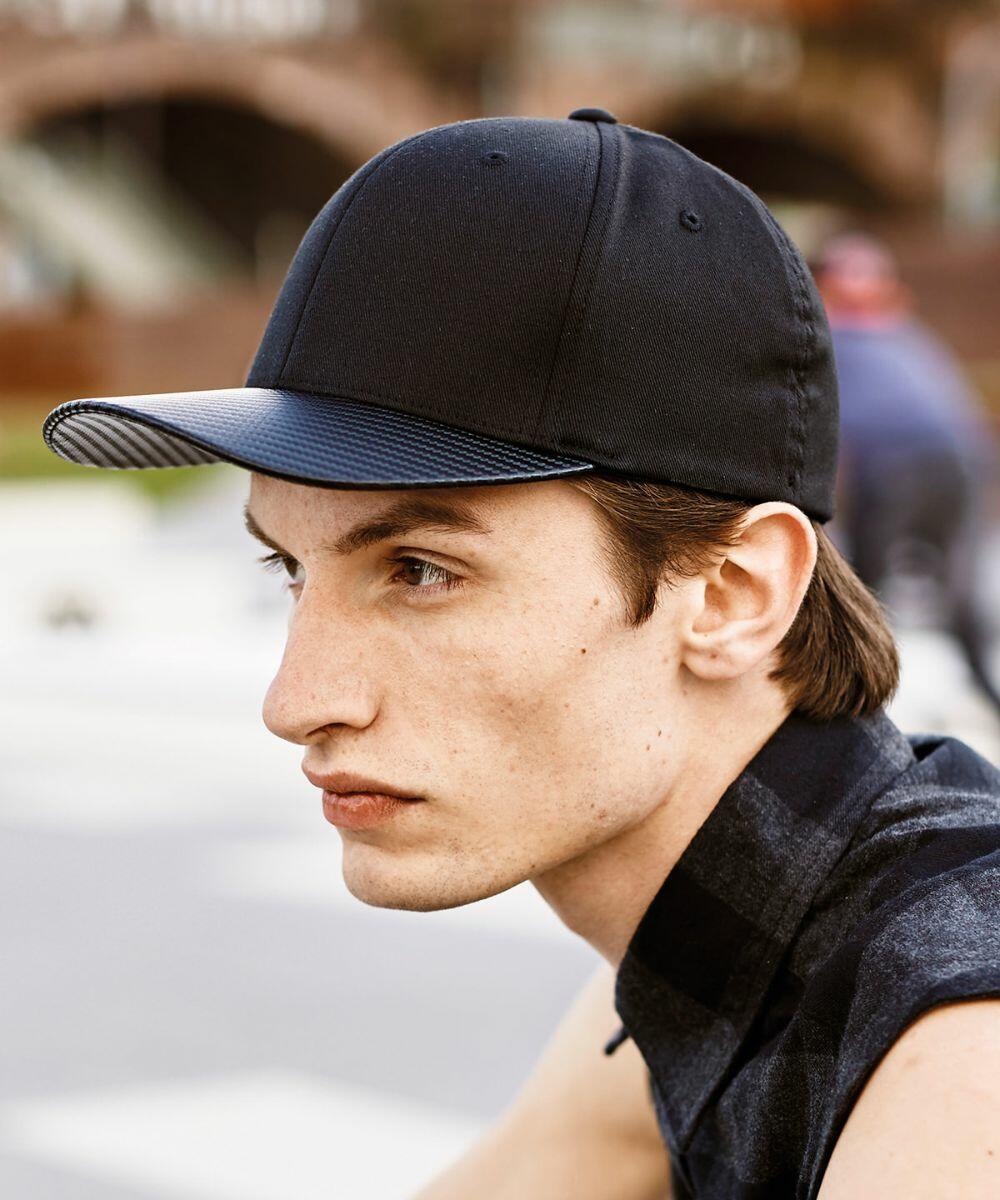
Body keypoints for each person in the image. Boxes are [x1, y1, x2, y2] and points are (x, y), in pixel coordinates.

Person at [42, 110, 1000, 1199]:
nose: (296, 701)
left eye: (418, 570)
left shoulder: (959, 1058)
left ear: (733, 595)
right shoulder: (713, 947)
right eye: (289, 570)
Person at [813, 232, 1000, 717]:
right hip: (962, 458)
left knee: (857, 591)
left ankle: (850, 706)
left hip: (901, 465)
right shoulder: (906, 333)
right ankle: (983, 688)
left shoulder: (826, 334)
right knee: (957, 591)